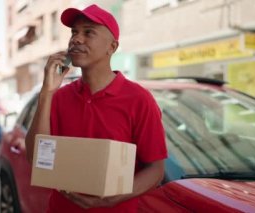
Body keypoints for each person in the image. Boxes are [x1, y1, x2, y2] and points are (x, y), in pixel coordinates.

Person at [23, 4, 167, 212]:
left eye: (88, 32)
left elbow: (156, 169)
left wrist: (111, 199)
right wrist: (46, 93)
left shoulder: (139, 100)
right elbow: (36, 158)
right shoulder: (59, 97)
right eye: (74, 32)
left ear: (112, 47)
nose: (76, 39)